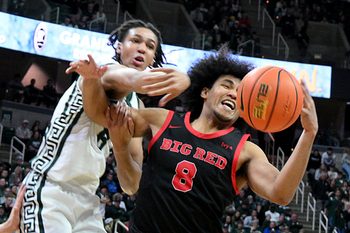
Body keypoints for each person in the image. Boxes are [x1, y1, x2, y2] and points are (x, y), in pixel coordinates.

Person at [101, 47, 318, 232]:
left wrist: (308, 134)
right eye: (227, 85)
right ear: (205, 91)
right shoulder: (163, 120)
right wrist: (104, 79)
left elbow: (281, 193)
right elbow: (105, 112)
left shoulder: (245, 151)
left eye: (240, 92)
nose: (234, 93)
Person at [21, 19, 190, 233]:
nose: (142, 48)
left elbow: (131, 185)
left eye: (150, 46)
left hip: (88, 200)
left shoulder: (135, 105)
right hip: (50, 188)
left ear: (153, 57)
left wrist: (120, 147)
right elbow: (136, 80)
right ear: (119, 46)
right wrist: (183, 78)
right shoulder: (107, 72)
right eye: (135, 41)